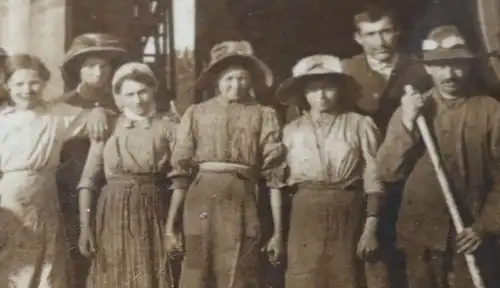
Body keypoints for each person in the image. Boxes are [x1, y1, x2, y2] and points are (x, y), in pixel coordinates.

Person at [377, 25, 500, 287]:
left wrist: (484, 226)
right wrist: (407, 124)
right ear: (428, 69)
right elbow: (387, 172)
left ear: (468, 67)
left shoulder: (490, 111)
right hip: (420, 235)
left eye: (457, 65)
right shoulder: (413, 110)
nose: (449, 74)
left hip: (471, 235)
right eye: (441, 66)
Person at [167, 40, 285, 288]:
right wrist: (170, 226)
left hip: (242, 200)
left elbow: (274, 176)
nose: (235, 85)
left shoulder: (264, 115)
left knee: (239, 270)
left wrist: (277, 231)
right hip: (200, 200)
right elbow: (180, 173)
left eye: (242, 78)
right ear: (217, 81)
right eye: (229, 78)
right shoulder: (196, 113)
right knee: (197, 267)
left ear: (251, 80)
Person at [343, 4, 434, 286]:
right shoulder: (345, 71)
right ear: (358, 38)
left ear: (397, 32)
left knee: (407, 260)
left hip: (407, 179)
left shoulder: (421, 70)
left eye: (386, 32)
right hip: (358, 183)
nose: (380, 42)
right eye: (370, 34)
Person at [276, 54, 385, 288]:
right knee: (305, 277)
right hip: (305, 213)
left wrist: (370, 228)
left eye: (329, 89)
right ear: (304, 94)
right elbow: (278, 182)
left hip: (347, 209)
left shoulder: (360, 124)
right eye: (314, 90)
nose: (322, 96)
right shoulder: (290, 131)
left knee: (346, 276)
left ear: (341, 90)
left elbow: (374, 178)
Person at [0, 53, 106, 287]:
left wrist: (98, 110)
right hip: (8, 200)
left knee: (46, 266)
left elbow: (92, 119)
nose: (27, 89)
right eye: (19, 84)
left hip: (44, 199)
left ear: (44, 83)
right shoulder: (2, 120)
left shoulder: (56, 114)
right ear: (7, 85)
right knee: (12, 266)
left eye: (34, 82)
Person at [77, 62, 178, 287]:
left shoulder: (169, 128)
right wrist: (85, 227)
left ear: (153, 90)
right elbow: (87, 181)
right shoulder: (107, 126)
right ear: (119, 97)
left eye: (143, 92)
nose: (138, 100)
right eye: (129, 94)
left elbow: (180, 179)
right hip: (110, 211)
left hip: (151, 209)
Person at [56, 32, 129, 287]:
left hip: (112, 186)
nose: (98, 72)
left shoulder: (124, 100)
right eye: (90, 66)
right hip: (70, 188)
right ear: (79, 70)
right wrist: (91, 112)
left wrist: (103, 111)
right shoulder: (63, 104)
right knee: (76, 250)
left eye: (103, 66)